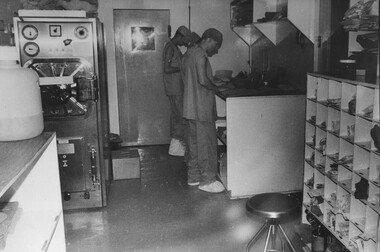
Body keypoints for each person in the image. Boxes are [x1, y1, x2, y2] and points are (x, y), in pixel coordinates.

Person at [180, 28, 230, 193]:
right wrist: (215, 87)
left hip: (190, 107)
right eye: (216, 45)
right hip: (201, 108)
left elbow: (191, 78)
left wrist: (212, 81)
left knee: (194, 145)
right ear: (208, 39)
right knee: (207, 144)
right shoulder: (201, 55)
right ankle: (207, 180)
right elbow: (202, 80)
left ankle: (193, 177)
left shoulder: (189, 53)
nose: (216, 50)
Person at [162, 26, 191, 156]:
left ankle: (175, 148)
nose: (184, 43)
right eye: (183, 40)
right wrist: (182, 69)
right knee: (180, 118)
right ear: (179, 36)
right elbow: (167, 69)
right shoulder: (170, 47)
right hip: (174, 88)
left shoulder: (174, 47)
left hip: (175, 88)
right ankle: (177, 149)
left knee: (177, 117)